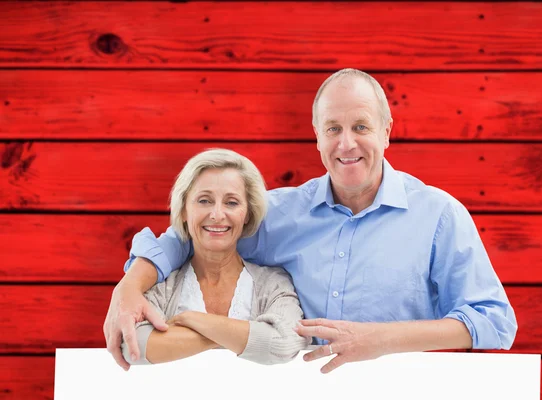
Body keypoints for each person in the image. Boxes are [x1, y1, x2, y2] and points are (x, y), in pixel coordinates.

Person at [104, 68, 517, 374]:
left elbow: (495, 322)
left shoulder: (439, 216)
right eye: (333, 128)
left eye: (361, 127)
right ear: (316, 135)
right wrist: (129, 287)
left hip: (399, 388)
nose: (346, 143)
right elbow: (195, 232)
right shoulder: (278, 212)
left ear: (387, 131)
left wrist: (381, 339)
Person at [118, 148, 310, 365]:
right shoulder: (161, 282)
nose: (217, 215)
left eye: (231, 202)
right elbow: (134, 346)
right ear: (183, 211)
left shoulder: (273, 283)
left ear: (247, 214)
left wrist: (192, 321)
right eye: (204, 201)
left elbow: (282, 344)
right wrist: (233, 336)